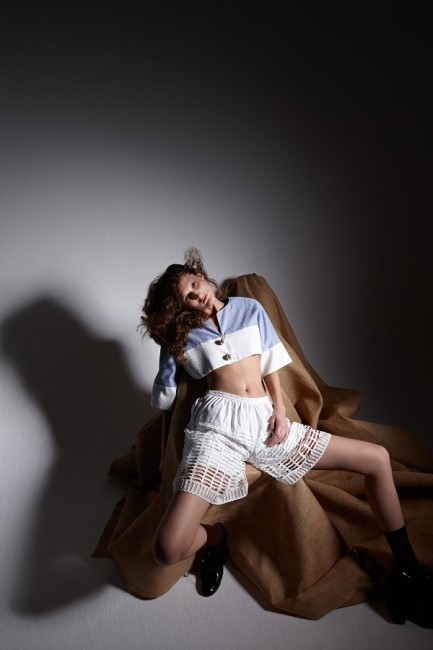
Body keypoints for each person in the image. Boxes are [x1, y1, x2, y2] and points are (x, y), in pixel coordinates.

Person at [139, 247, 432, 626]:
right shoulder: (181, 337)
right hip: (216, 431)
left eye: (195, 284)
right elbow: (167, 399)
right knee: (167, 548)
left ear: (201, 275)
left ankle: (406, 571)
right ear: (181, 307)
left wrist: (279, 409)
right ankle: (215, 539)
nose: (198, 295)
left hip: (264, 424)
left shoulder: (248, 309)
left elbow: (271, 361)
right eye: (187, 297)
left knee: (376, 458)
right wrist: (167, 456)